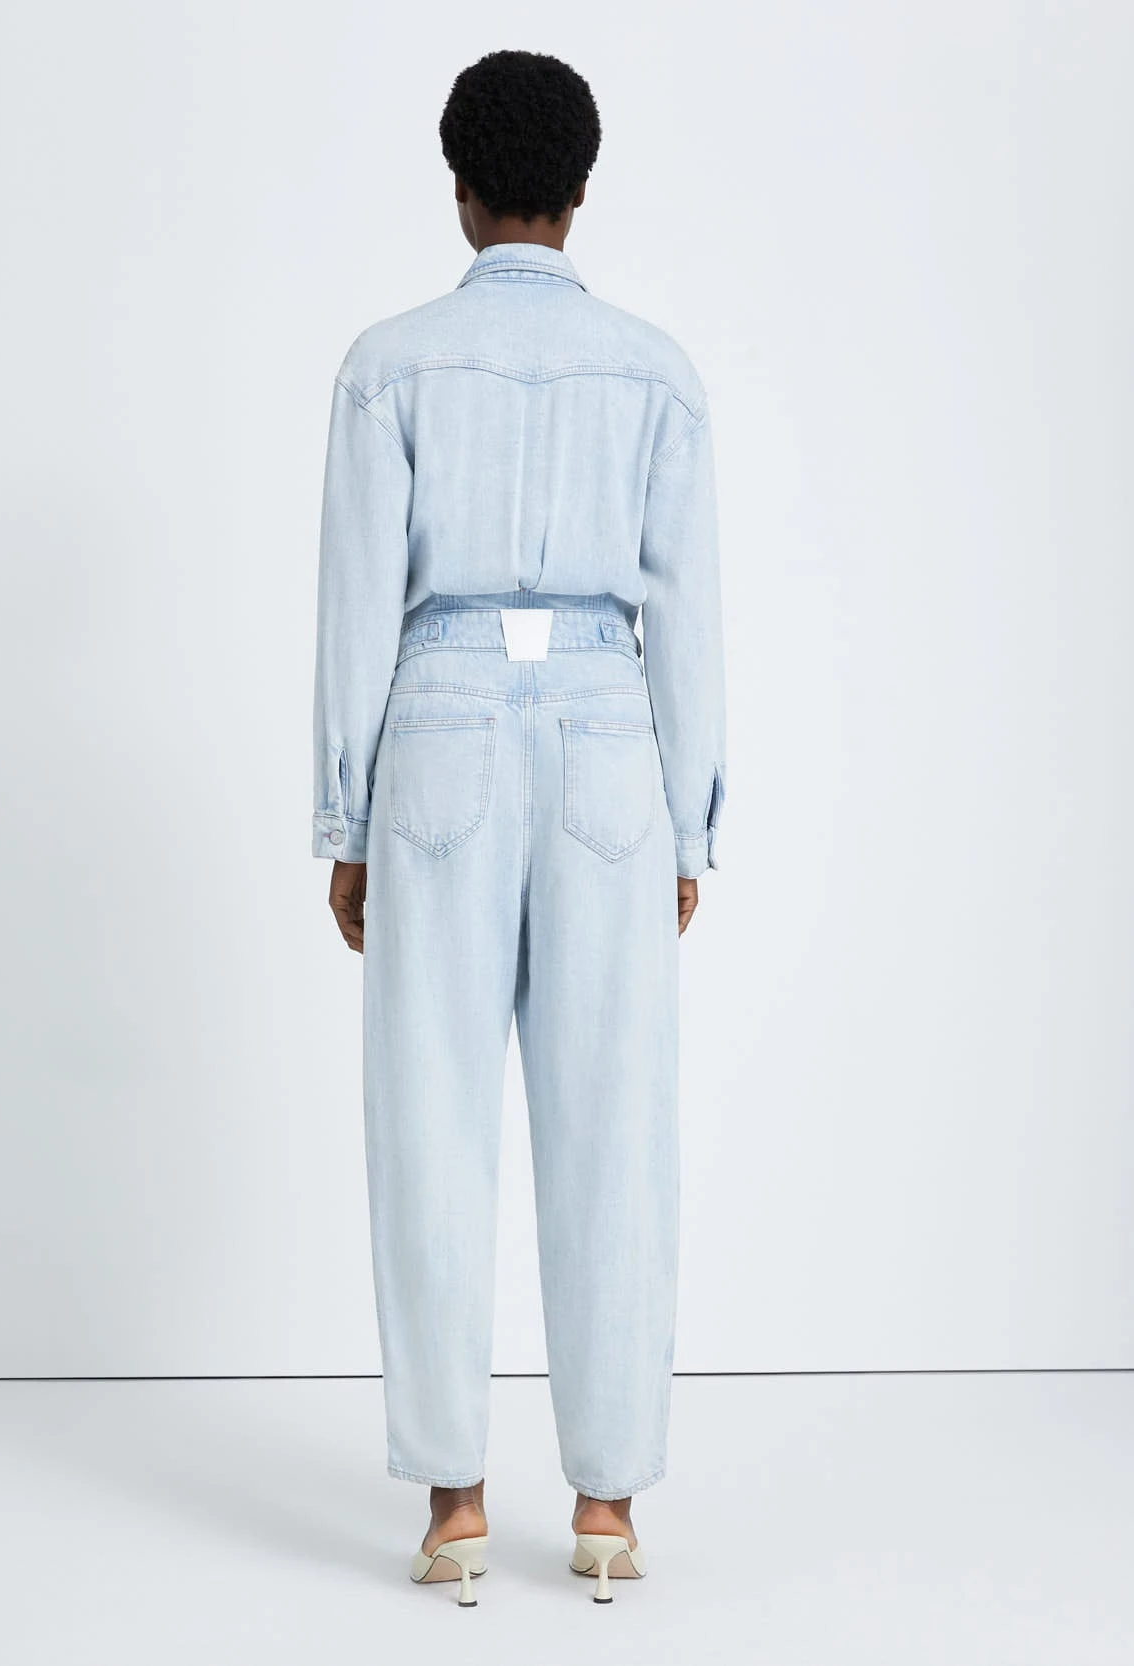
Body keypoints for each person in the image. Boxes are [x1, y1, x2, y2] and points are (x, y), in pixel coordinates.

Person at [311, 48, 726, 1605]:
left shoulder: (389, 365)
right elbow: (689, 613)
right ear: (581, 188)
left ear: (462, 190)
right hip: (611, 726)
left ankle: (457, 1506)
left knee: (430, 1111)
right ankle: (606, 1506)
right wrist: (687, 826)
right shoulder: (656, 373)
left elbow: (358, 601)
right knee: (616, 1114)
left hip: (439, 720)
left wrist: (346, 814)